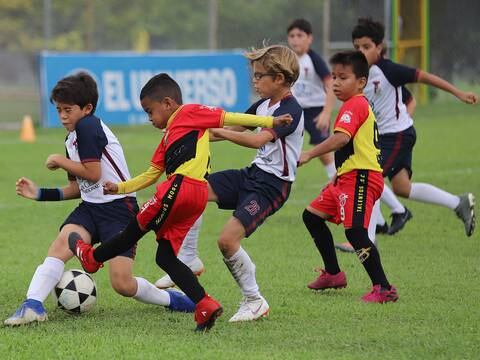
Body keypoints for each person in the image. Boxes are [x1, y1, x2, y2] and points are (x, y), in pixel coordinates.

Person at [68, 72, 294, 331]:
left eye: (150, 111)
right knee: (165, 257)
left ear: (167, 103)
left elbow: (229, 117)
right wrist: (119, 187)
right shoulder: (167, 138)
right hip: (196, 197)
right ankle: (204, 304)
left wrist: (271, 120)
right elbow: (151, 175)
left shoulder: (188, 113)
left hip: (180, 188)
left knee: (133, 229)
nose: (149, 118)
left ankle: (92, 257)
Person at [4, 72, 195, 327]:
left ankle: (173, 300)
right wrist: (40, 194)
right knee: (60, 246)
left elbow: (92, 175)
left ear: (87, 108)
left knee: (122, 284)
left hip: (119, 209)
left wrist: (60, 160)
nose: (62, 116)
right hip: (91, 209)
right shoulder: (71, 138)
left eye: (68, 110)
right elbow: (78, 187)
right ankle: (33, 305)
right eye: (59, 110)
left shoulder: (89, 126)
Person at [352, 18, 477, 238]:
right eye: (356, 47)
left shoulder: (388, 70)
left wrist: (458, 93)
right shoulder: (361, 75)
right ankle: (458, 202)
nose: (360, 52)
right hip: (387, 136)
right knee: (401, 187)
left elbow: (425, 78)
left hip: (396, 135)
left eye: (366, 47)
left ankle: (364, 241)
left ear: (379, 48)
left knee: (367, 179)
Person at [206, 44, 304, 322]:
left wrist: (216, 131)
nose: (255, 81)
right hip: (252, 174)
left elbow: (256, 139)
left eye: (260, 76)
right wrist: (191, 131)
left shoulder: (291, 110)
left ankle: (254, 300)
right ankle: (189, 260)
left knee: (227, 241)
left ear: (280, 80)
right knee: (193, 191)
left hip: (272, 187)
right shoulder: (263, 105)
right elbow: (232, 129)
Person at [299, 50, 398, 303]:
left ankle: (383, 288)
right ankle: (333, 274)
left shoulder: (355, 104)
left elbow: (341, 139)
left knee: (355, 233)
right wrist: (338, 175)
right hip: (348, 177)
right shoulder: (353, 105)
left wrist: (310, 154)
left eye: (343, 77)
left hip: (362, 178)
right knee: (311, 216)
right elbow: (350, 145)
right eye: (333, 77)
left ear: (361, 82)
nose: (335, 83)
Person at [287, 18, 336, 180]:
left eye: (299, 35)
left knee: (323, 150)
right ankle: (283, 177)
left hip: (316, 110)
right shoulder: (288, 60)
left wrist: (326, 113)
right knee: (283, 143)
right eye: (292, 36)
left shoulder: (314, 59)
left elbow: (330, 85)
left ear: (310, 38)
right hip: (294, 110)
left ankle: (336, 179)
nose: (295, 39)